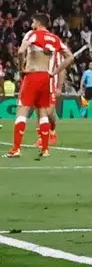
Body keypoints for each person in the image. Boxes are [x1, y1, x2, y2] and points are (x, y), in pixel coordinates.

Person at [7, 14, 72, 159]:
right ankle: (45, 149)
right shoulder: (54, 38)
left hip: (32, 75)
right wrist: (55, 71)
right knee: (43, 113)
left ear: (38, 22)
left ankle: (16, 149)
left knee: (22, 111)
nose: (31, 24)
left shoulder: (32, 34)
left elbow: (21, 51)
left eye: (33, 21)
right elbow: (70, 57)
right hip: (46, 78)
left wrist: (21, 67)